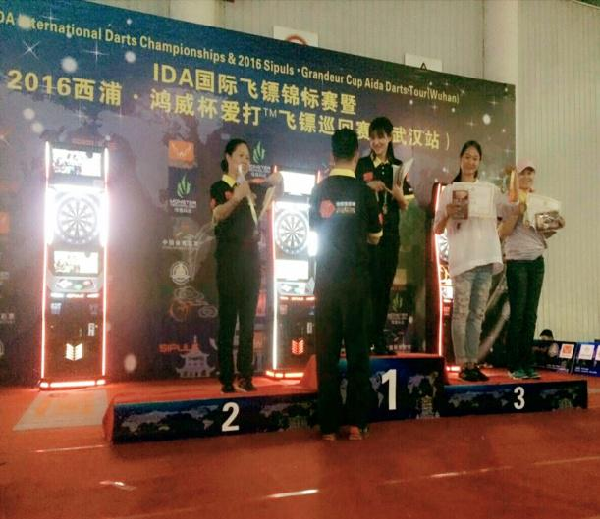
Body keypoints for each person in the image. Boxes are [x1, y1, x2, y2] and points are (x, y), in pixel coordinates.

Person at [309, 129, 382, 440]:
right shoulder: (365, 193)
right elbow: (376, 235)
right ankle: (355, 424)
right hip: (356, 283)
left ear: (331, 155)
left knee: (326, 354)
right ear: (356, 155)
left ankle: (327, 426)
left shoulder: (319, 190)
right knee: (357, 353)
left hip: (326, 281)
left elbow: (314, 228)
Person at [210, 138, 282, 393]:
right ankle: (227, 378)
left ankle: (246, 376)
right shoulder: (220, 187)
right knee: (228, 322)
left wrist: (278, 181)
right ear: (228, 158)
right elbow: (217, 215)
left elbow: (275, 196)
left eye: (248, 157)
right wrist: (236, 198)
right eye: (240, 155)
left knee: (249, 323)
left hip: (250, 262)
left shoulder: (253, 188)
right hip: (228, 261)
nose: (245, 160)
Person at [433, 140, 509, 382]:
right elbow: (437, 228)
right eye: (467, 156)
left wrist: (515, 185)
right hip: (463, 260)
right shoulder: (450, 191)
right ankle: (462, 364)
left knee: (477, 314)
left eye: (475, 158)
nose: (470, 162)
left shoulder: (489, 191)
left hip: (485, 258)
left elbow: (509, 209)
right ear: (460, 159)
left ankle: (472, 362)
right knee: (461, 312)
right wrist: (448, 213)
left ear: (479, 162)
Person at [498, 159, 565, 380]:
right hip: (517, 261)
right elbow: (503, 231)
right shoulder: (508, 199)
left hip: (537, 260)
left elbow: (542, 232)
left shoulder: (539, 201)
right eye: (523, 173)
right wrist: (517, 211)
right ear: (515, 177)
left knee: (530, 314)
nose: (527, 177)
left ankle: (527, 363)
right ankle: (513, 364)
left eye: (530, 173)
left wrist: (556, 224)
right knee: (517, 314)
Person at [355, 117, 408, 355]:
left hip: (390, 237)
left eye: (381, 137)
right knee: (365, 289)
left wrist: (396, 194)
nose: (376, 142)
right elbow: (352, 191)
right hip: (366, 237)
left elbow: (405, 205)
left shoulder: (398, 167)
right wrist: (369, 186)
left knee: (384, 288)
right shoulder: (362, 165)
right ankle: (362, 339)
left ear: (389, 138)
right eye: (373, 137)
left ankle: (378, 339)